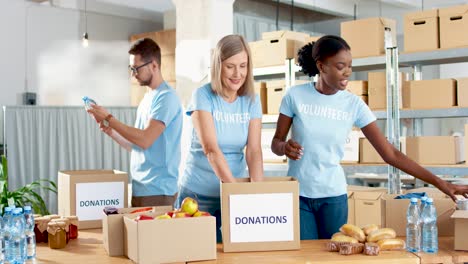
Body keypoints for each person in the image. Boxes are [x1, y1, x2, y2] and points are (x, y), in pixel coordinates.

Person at [270, 35, 468, 240]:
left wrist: (440, 183)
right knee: (305, 259)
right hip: (299, 194)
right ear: (321, 66)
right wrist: (284, 147)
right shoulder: (295, 96)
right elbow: (276, 143)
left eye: (349, 66)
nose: (347, 72)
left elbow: (390, 153)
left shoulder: (354, 104)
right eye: (340, 66)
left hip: (333, 197)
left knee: (334, 256)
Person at [177, 34, 264, 241]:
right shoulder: (203, 95)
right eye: (230, 66)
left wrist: (258, 193)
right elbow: (211, 149)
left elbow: (254, 150)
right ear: (218, 66)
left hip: (234, 193)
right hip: (198, 196)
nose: (238, 73)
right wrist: (233, 192)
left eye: (243, 66)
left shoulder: (251, 100)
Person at [87, 38, 183, 207]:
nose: (133, 74)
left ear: (154, 65)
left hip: (158, 191)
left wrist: (110, 118)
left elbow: (145, 139)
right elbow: (136, 146)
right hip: (141, 188)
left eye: (136, 68)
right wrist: (110, 130)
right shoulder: (147, 98)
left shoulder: (166, 98)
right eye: (131, 69)